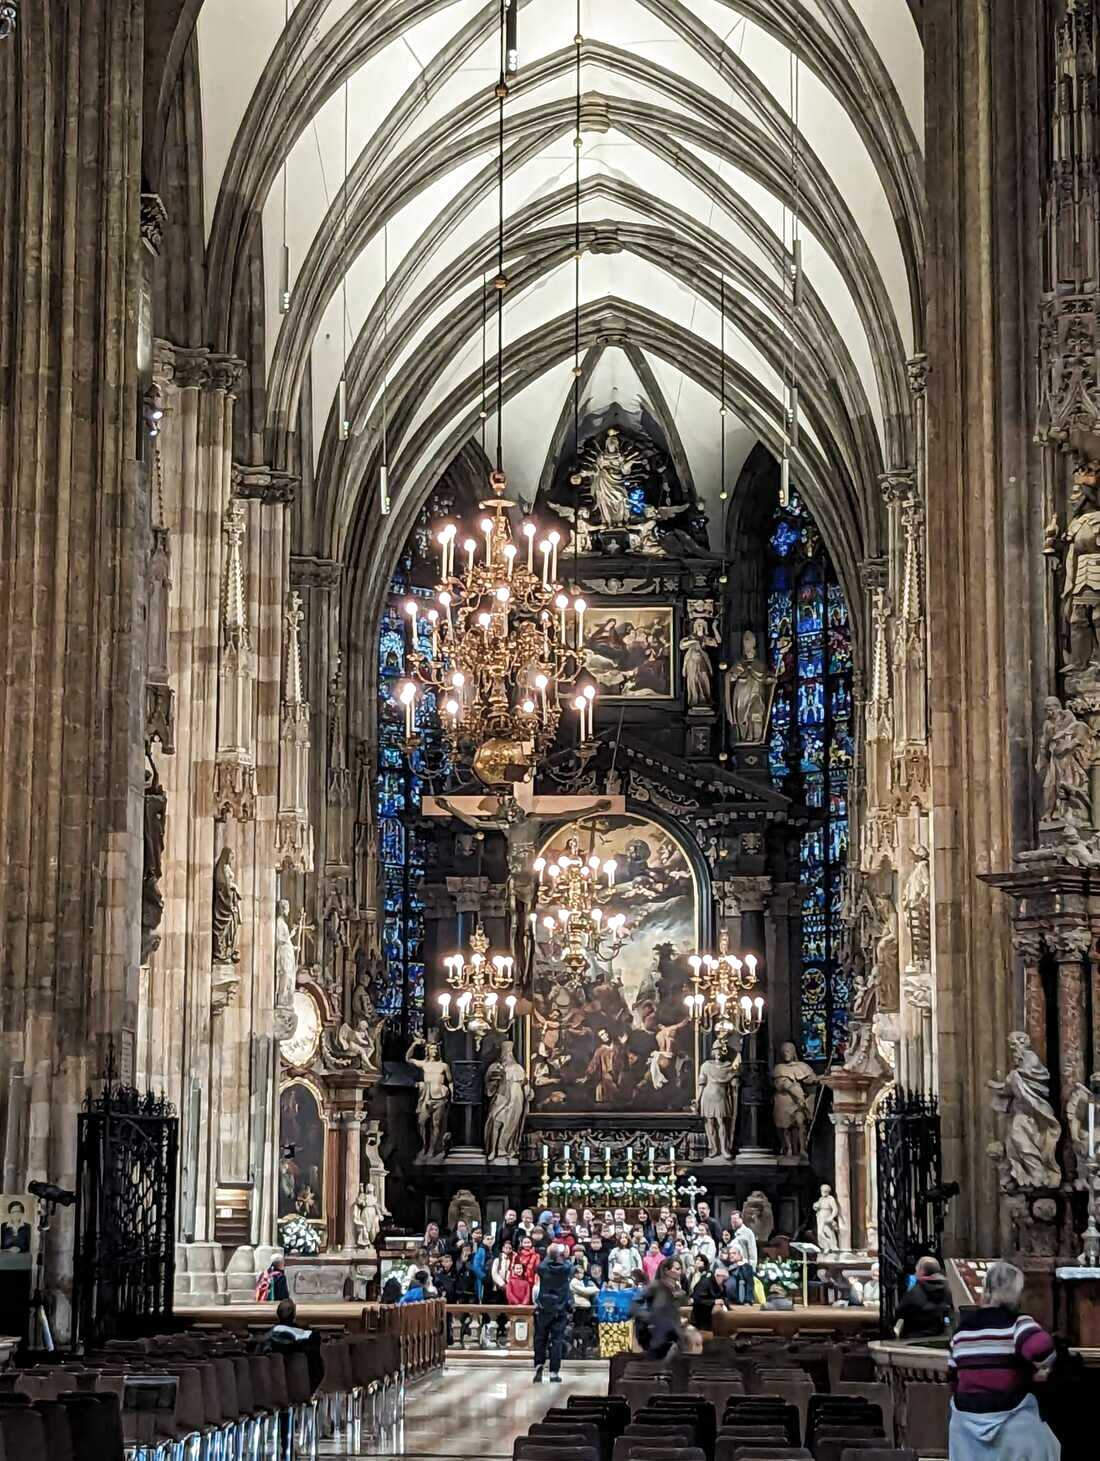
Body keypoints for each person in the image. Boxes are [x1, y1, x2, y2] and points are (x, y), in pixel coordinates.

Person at [948, 1261, 1059, 1461]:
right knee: (1048, 1443)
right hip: (1010, 1418)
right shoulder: (1017, 1325)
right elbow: (1043, 1350)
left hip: (965, 1423)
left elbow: (953, 1379)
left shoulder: (961, 1332)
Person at [532, 1242, 574, 1384]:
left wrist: (551, 1253)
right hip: (560, 1309)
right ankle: (554, 1372)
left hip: (544, 1308)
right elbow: (568, 1263)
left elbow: (541, 1264)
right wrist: (561, 1254)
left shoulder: (542, 1268)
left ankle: (539, 1365)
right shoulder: (566, 1269)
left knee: (540, 1338)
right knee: (556, 1341)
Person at [632, 1257, 684, 1358]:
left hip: (673, 1334)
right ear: (666, 1270)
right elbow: (636, 1303)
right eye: (676, 1269)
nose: (679, 1272)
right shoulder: (655, 1286)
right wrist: (648, 1318)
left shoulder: (679, 1290)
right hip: (656, 1335)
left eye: (680, 1269)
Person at [896, 1255, 954, 1340]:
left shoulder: (914, 1292)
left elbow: (899, 1313)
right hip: (941, 1339)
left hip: (914, 1341)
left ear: (921, 1271)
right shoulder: (950, 1290)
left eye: (917, 1269)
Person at [729, 1211, 758, 1306]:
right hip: (734, 1264)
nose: (733, 1222)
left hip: (745, 1263)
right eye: (732, 1220)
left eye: (735, 1220)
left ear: (741, 1219)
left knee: (748, 1281)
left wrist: (752, 1265)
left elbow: (752, 1251)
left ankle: (748, 1300)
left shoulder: (748, 1232)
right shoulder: (732, 1232)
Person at [690, 1263, 728, 1331]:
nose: (725, 1282)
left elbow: (724, 1297)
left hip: (711, 1319)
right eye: (724, 1279)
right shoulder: (704, 1283)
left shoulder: (721, 1286)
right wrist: (714, 1301)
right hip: (699, 1319)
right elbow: (696, 1300)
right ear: (718, 1276)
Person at [506, 1236, 540, 1305]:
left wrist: (536, 1282)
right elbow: (512, 1269)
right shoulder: (517, 1255)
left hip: (531, 1281)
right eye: (525, 1243)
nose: (527, 1244)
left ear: (532, 1243)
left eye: (528, 1242)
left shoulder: (536, 1255)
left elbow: (538, 1270)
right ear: (522, 1244)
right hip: (519, 1282)